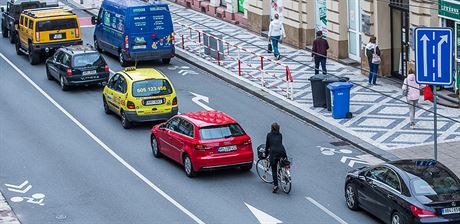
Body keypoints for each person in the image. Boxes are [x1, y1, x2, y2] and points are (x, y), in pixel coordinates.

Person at [265, 122, 287, 193]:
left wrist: (265, 154)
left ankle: (276, 186)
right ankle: (285, 174)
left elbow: (267, 146)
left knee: (274, 170)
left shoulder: (269, 135)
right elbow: (279, 144)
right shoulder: (280, 135)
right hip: (282, 152)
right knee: (282, 164)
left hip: (274, 154)